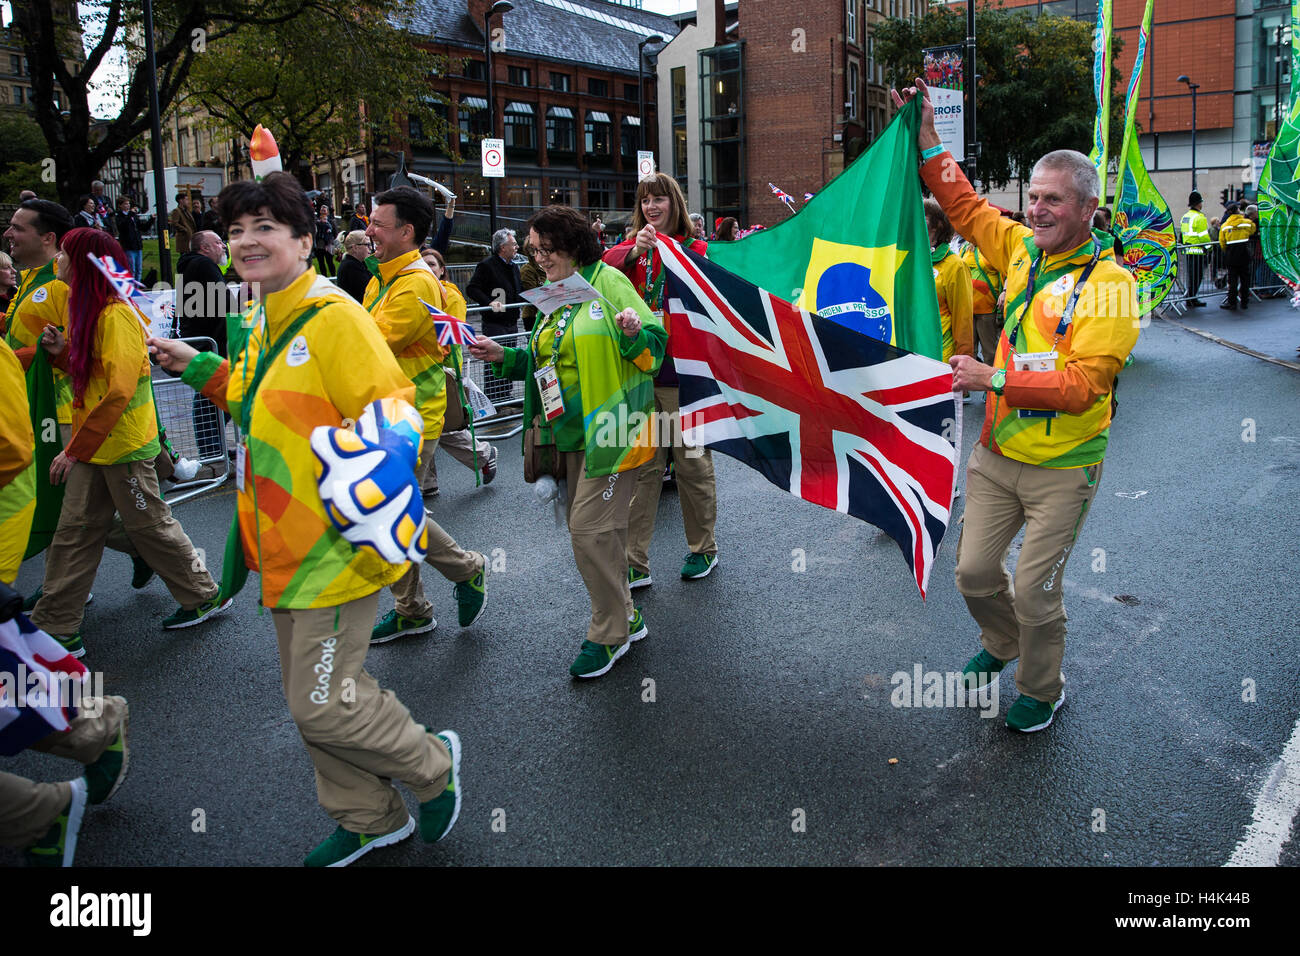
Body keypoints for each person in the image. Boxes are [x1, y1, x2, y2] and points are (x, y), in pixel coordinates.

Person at [148, 171, 465, 866]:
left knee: (324, 701)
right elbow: (262, 400)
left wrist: (365, 475)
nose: (246, 242)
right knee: (310, 702)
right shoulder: (266, 312)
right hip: (277, 542)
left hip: (335, 546)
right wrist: (198, 366)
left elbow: (394, 409)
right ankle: (368, 815)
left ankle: (431, 762)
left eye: (265, 228)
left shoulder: (333, 316)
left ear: (302, 238)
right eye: (235, 231)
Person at [893, 76, 1139, 733]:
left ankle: (1041, 685)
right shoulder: (1024, 252)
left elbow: (1086, 385)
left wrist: (992, 380)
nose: (1037, 210)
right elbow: (969, 209)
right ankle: (1000, 644)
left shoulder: (1113, 288)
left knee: (1034, 589)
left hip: (1066, 467)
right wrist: (929, 147)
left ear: (1088, 209)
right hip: (997, 455)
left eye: (1053, 200)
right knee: (973, 575)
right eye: (1033, 197)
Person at [468, 205, 666, 679]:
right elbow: (549, 361)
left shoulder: (609, 282)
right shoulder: (556, 293)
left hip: (615, 431)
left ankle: (610, 632)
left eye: (546, 248)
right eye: (533, 250)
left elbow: (655, 351)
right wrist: (505, 356)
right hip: (568, 437)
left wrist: (635, 335)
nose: (538, 258)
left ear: (572, 243)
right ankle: (627, 614)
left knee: (589, 531)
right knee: (606, 535)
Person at [30, 228, 227, 659]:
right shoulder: (92, 311)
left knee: (149, 527)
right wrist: (63, 352)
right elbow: (97, 375)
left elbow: (117, 392)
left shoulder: (114, 314)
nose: (57, 261)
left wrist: (72, 449)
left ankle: (204, 593)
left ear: (83, 264)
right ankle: (57, 625)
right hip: (99, 445)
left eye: (64, 254)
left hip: (122, 446)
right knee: (75, 532)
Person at [362, 185, 489, 645]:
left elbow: (367, 342)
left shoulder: (414, 281)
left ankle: (463, 570)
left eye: (377, 223)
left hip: (411, 416)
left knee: (390, 509)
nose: (368, 230)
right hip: (383, 411)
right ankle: (413, 607)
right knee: (389, 512)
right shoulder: (382, 277)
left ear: (406, 231)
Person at [603, 173, 720, 589]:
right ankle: (635, 560)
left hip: (685, 375)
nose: (652, 206)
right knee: (643, 469)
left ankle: (703, 548)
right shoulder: (631, 250)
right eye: (645, 200)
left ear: (675, 203)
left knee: (691, 464)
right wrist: (634, 251)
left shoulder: (698, 249)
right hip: (639, 375)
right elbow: (601, 271)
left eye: (660, 199)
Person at [420, 245, 497, 496]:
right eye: (423, 264)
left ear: (442, 269)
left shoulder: (450, 294)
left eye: (432, 264)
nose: (428, 268)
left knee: (439, 428)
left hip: (443, 368)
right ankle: (426, 482)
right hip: (421, 367)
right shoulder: (417, 290)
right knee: (421, 425)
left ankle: (484, 454)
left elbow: (450, 333)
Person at [176, 230, 234, 459]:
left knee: (212, 395)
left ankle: (213, 447)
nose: (223, 247)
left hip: (205, 339)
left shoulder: (194, 265)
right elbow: (224, 302)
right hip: (208, 342)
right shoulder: (202, 265)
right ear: (204, 248)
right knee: (213, 395)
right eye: (218, 243)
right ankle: (211, 449)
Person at [467, 228, 523, 404]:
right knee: (493, 358)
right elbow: (472, 288)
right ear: (502, 247)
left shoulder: (513, 266)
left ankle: (506, 395)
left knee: (508, 356)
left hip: (511, 320)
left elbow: (517, 290)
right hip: (495, 322)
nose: (516, 247)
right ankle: (494, 398)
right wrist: (489, 302)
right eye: (513, 244)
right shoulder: (487, 266)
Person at [924, 198, 975, 365]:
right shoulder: (908, 260)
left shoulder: (955, 265)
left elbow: (963, 320)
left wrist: (963, 362)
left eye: (921, 218)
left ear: (938, 225)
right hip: (911, 353)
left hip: (940, 356)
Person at [961, 230, 1004, 367]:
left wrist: (1005, 291)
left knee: (989, 352)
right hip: (968, 307)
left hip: (987, 308)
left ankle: (990, 386)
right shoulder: (965, 248)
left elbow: (1007, 270)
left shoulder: (993, 248)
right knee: (968, 351)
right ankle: (966, 386)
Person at [1218, 201, 1256, 311]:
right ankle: (1244, 302)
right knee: (1245, 279)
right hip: (1244, 252)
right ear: (1237, 211)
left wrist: (1227, 250)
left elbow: (1222, 242)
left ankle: (1232, 303)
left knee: (1232, 281)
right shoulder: (1246, 223)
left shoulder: (1225, 226)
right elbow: (1253, 229)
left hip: (1231, 254)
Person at [1180, 191, 1211, 307]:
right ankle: (1192, 298)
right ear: (1199, 204)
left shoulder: (1185, 216)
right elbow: (1204, 237)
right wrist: (1210, 248)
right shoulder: (1200, 218)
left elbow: (1183, 234)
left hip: (1188, 250)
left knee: (1191, 277)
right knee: (1197, 277)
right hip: (1198, 250)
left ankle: (1191, 297)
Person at [335, 229, 373, 303]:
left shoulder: (356, 264)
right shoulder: (351, 267)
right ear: (355, 247)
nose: (371, 248)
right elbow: (370, 290)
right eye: (367, 245)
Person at [113, 196, 145, 279]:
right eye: (126, 204)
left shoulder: (133, 216)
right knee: (132, 269)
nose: (128, 206)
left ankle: (137, 287)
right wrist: (130, 214)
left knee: (139, 269)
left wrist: (151, 219)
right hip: (129, 246)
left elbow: (141, 227)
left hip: (137, 244)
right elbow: (123, 226)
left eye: (128, 204)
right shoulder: (119, 217)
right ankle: (132, 287)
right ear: (120, 205)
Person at [519, 242, 546, 332]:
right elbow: (531, 293)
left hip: (546, 312)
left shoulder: (546, 267)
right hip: (533, 314)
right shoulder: (527, 270)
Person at [313, 204, 338, 277]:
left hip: (329, 244)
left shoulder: (331, 221)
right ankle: (324, 276)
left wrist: (331, 241)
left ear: (327, 212)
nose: (323, 211)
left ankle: (333, 276)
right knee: (321, 262)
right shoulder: (316, 220)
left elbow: (335, 233)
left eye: (324, 210)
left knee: (330, 261)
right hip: (319, 244)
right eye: (322, 210)